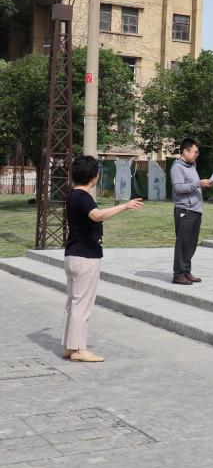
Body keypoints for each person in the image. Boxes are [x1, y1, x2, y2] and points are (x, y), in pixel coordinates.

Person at [62, 155, 143, 362]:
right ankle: (78, 349)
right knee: (82, 304)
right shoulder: (84, 197)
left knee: (73, 302)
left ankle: (70, 346)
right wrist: (124, 206)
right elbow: (96, 215)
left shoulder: (71, 195)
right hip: (85, 256)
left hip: (73, 254)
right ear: (94, 176)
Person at [170, 138, 213, 285]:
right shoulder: (177, 167)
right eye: (195, 152)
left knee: (191, 244)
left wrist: (204, 185)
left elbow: (193, 186)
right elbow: (178, 188)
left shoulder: (192, 165)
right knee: (182, 243)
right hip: (185, 210)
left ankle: (186, 271)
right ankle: (178, 275)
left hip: (196, 210)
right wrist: (198, 183)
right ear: (185, 151)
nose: (197, 155)